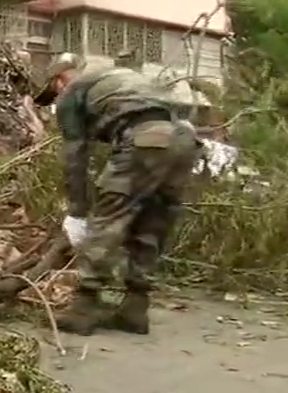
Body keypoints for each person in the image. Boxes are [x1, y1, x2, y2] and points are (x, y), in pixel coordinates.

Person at [34, 53, 200, 336]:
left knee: (109, 218)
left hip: (146, 139)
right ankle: (135, 308)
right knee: (152, 221)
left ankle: (84, 307)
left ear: (59, 81)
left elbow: (76, 156)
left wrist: (76, 212)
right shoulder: (118, 77)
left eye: (52, 94)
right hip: (184, 141)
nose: (55, 101)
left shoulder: (71, 93)